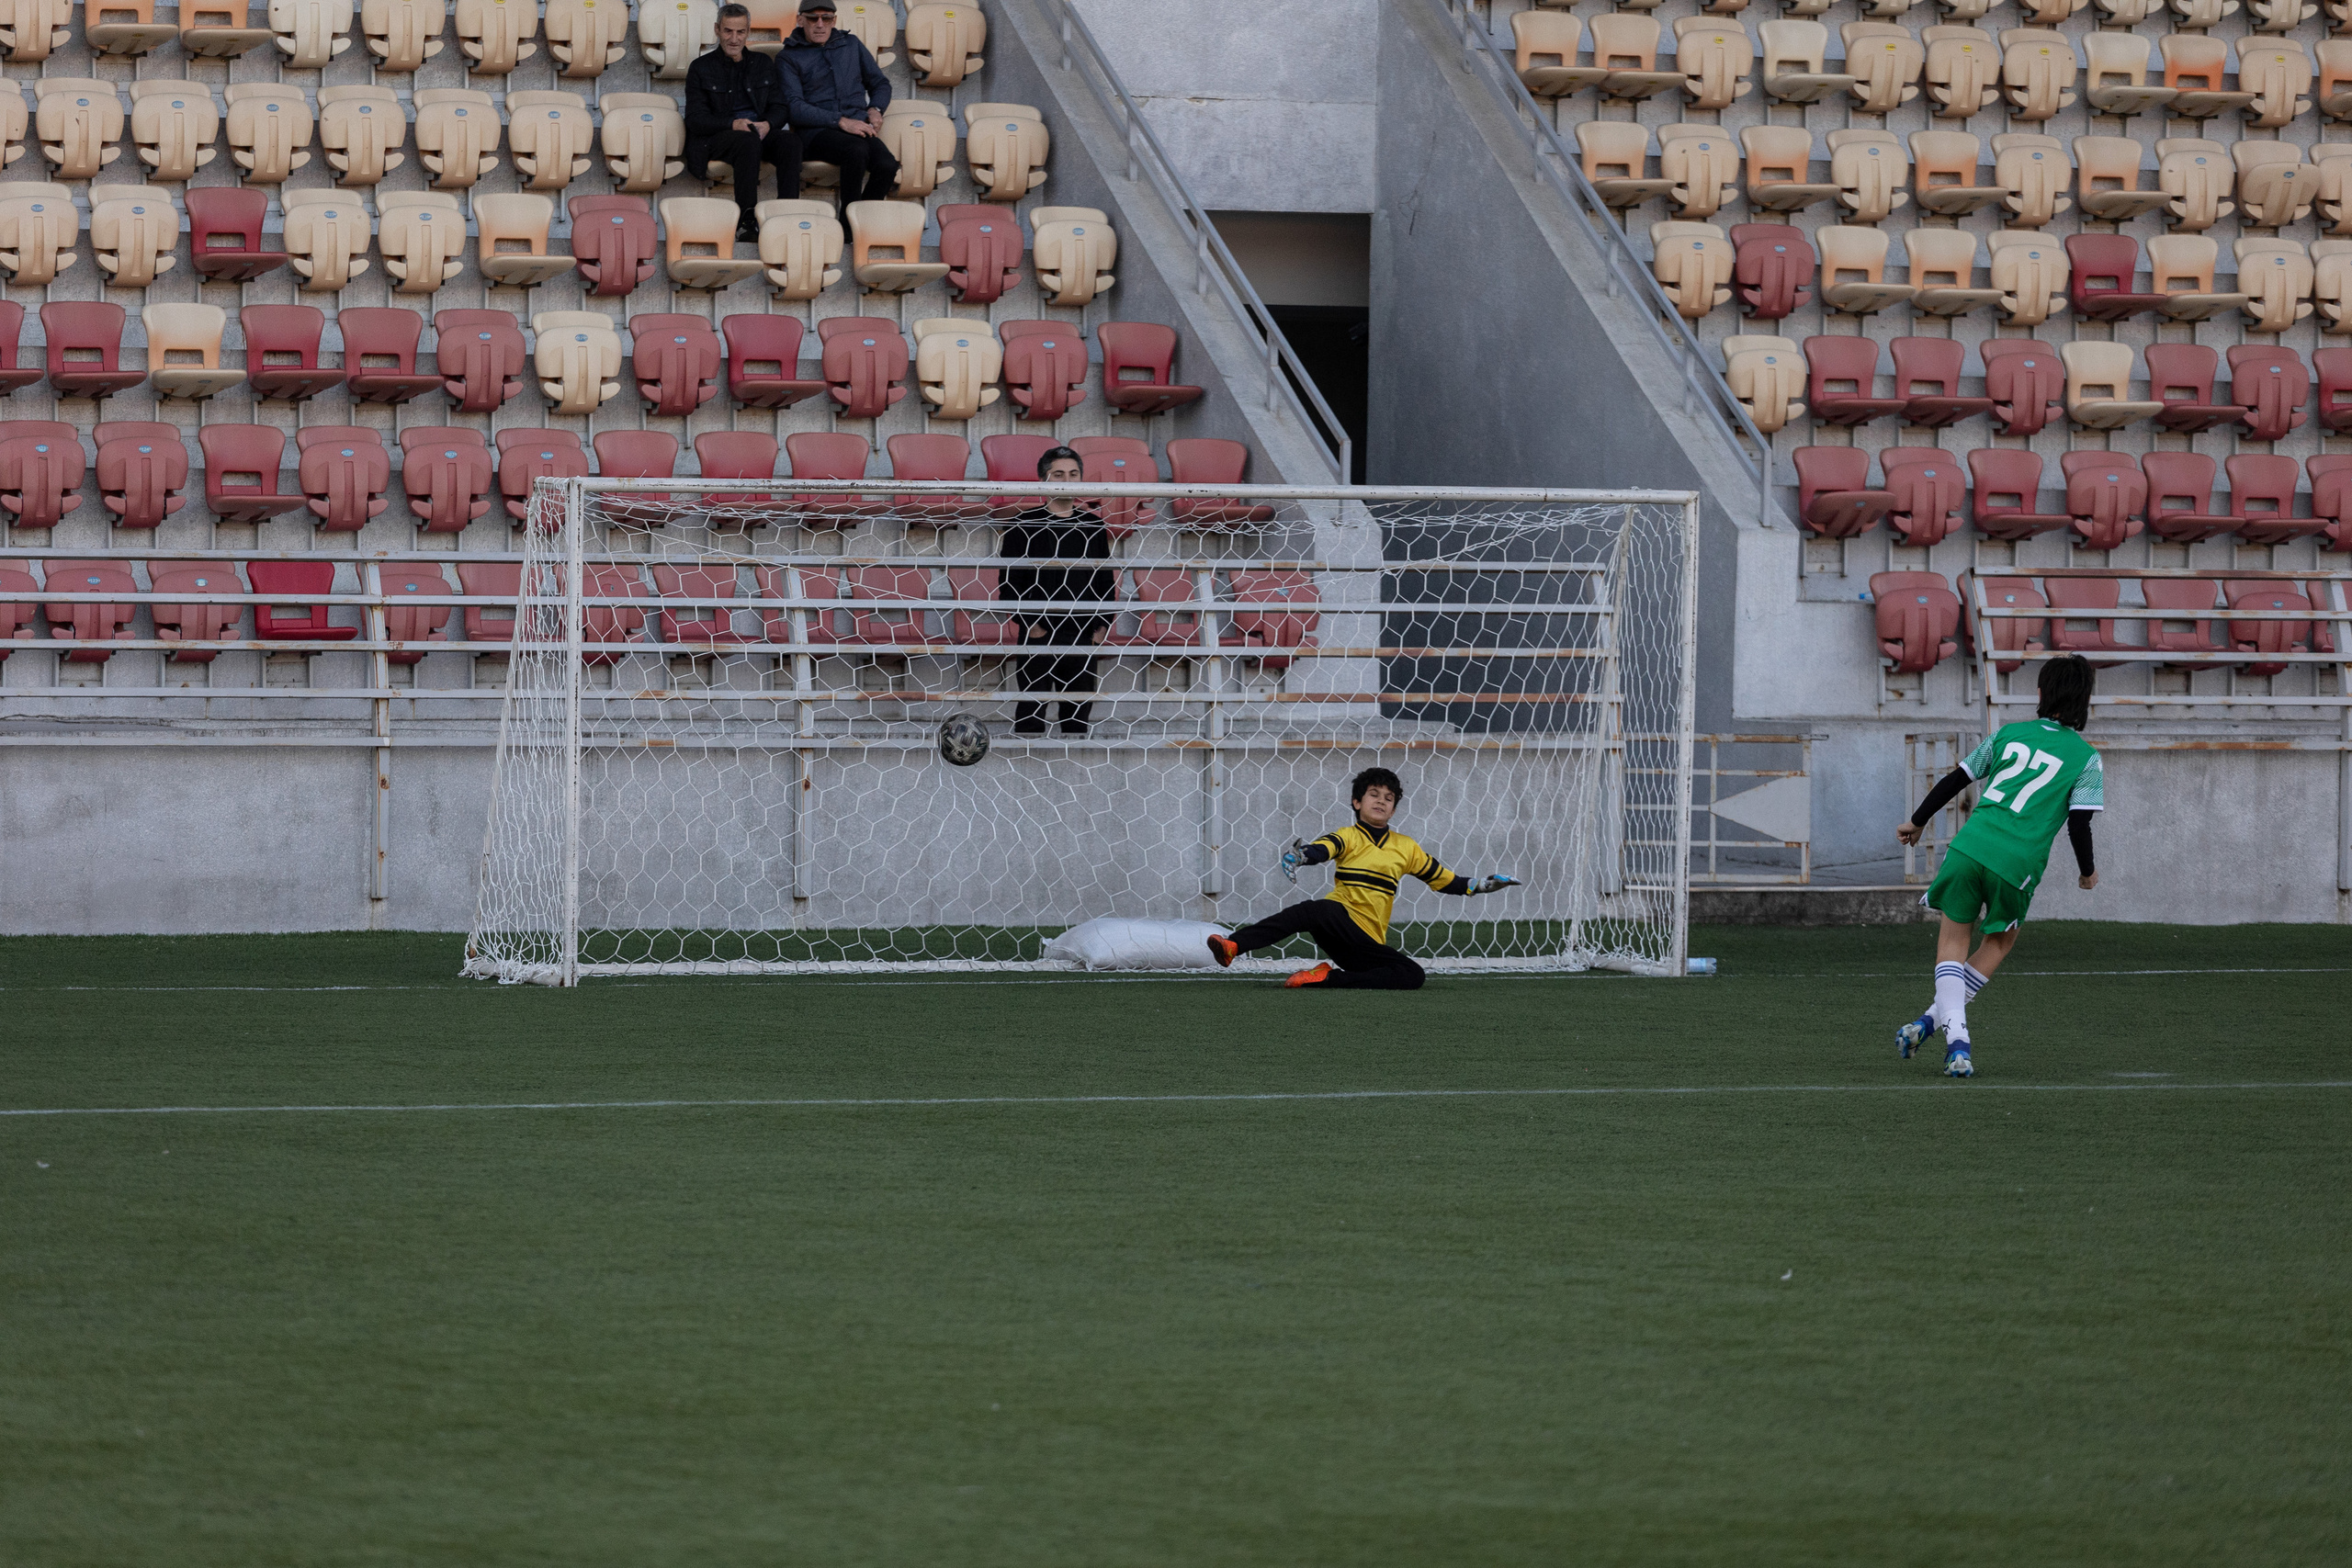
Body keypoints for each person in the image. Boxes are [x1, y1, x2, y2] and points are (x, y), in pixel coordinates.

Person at [1894, 654, 2103, 1078]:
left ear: (2041, 694)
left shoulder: (2009, 735)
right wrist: (2087, 870)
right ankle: (1954, 1041)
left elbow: (1957, 779)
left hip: (1970, 846)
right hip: (2016, 863)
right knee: (2000, 943)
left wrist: (1918, 821)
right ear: (2085, 702)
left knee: (1952, 943)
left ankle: (1935, 1028)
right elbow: (2079, 823)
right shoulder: (2087, 759)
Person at [1206, 768, 1521, 989]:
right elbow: (1324, 848)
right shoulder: (1348, 836)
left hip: (1365, 943)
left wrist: (1483, 885)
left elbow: (1445, 880)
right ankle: (1234, 944)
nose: (1381, 800)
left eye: (1388, 797)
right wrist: (1304, 856)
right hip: (1338, 921)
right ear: (1357, 802)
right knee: (1318, 910)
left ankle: (1327, 978)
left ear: (1394, 809)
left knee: (1412, 976)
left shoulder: (1406, 847)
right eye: (1374, 794)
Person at [1000, 447, 1111, 738]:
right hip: (1040, 631)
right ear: (1043, 479)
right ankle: (1026, 766)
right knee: (1031, 710)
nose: (1067, 480)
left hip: (1082, 631)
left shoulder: (1093, 525)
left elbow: (1105, 580)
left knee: (1077, 711)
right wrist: (1031, 626)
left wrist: (1102, 626)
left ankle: (1073, 764)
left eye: (1073, 474)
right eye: (1059, 474)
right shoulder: (1023, 524)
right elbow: (1008, 584)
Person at [684, 3, 803, 243]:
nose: (734, 39)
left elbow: (780, 107)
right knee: (747, 141)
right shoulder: (700, 67)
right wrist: (731, 123)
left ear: (748, 32)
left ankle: (788, 213)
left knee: (790, 141)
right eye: (728, 31)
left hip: (757, 131)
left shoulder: (762, 64)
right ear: (717, 30)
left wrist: (768, 124)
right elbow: (696, 120)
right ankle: (747, 219)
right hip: (717, 137)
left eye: (740, 32)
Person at [775, 0, 900, 219]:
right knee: (856, 150)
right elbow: (794, 108)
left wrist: (876, 109)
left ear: (834, 20)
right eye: (813, 18)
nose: (820, 24)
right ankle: (847, 221)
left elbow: (880, 83)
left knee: (887, 165)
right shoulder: (788, 56)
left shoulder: (851, 44)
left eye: (827, 18)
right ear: (800, 20)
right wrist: (841, 121)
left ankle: (861, 219)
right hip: (815, 133)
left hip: (857, 125)